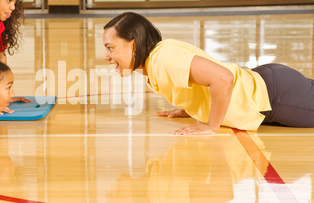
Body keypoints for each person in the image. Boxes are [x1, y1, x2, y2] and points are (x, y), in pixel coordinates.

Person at [103, 12, 314, 135]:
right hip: (268, 85)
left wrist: (210, 126)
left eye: (110, 48)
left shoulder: (163, 60)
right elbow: (199, 81)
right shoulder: (154, 60)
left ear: (133, 45)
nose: (106, 56)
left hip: (275, 96)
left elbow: (223, 78)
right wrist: (191, 107)